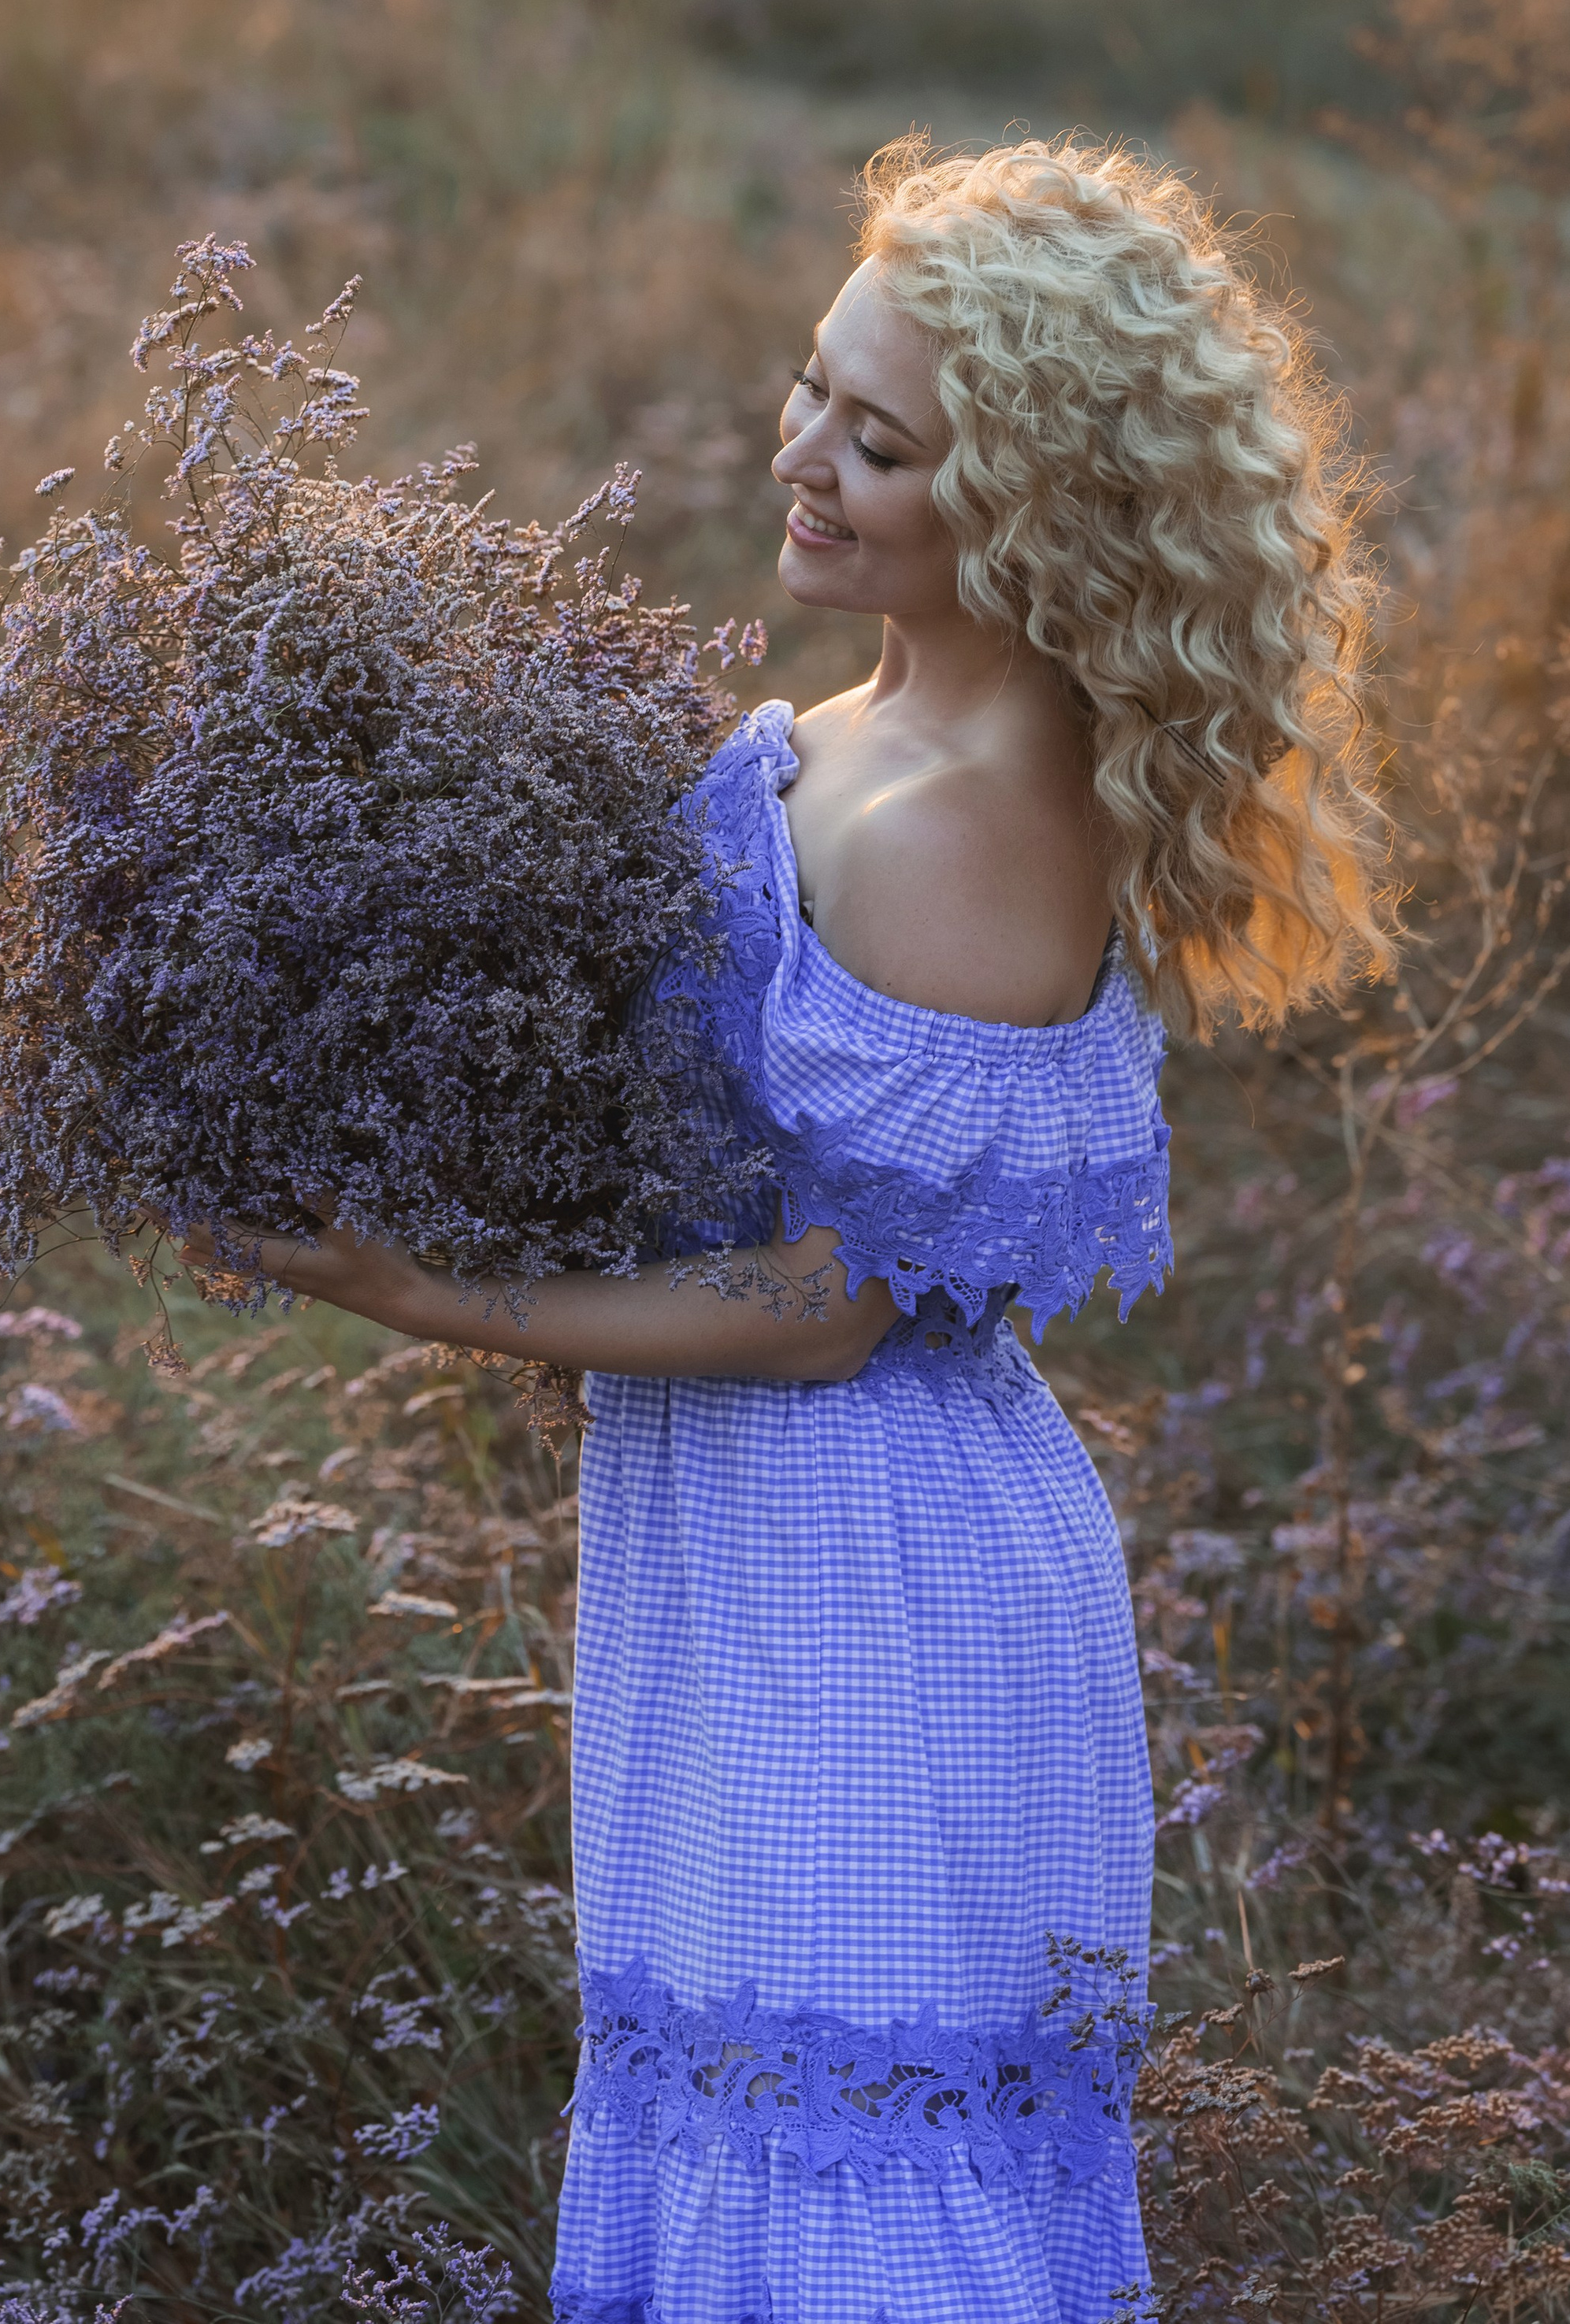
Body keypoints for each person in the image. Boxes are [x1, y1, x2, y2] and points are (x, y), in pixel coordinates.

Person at [213, 139, 1387, 2324]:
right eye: (810, 386)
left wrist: (429, 1290)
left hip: (866, 1565)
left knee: (854, 2195)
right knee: (750, 2129)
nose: (801, 457)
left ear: (1038, 509)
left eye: (882, 441)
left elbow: (831, 1309)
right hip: (747, 1537)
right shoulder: (855, 733)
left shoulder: (964, 823)